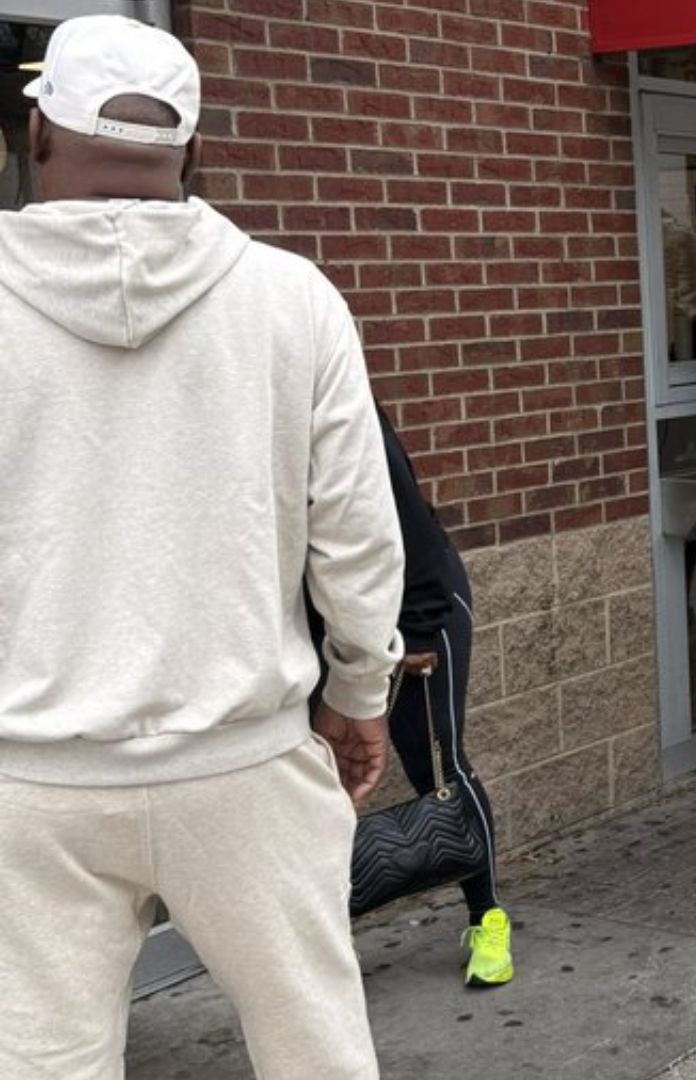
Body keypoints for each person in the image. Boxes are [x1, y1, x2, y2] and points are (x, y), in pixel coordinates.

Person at [0, 16, 402, 1078]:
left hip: (25, 779)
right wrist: (359, 693)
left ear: (33, 130)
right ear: (196, 149)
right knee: (316, 1048)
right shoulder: (291, 298)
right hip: (245, 759)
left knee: (39, 1059)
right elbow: (357, 533)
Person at [312, 410, 515, 987]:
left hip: (417, 603)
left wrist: (421, 629)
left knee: (436, 762)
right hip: (323, 622)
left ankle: (488, 917)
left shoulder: (335, 397)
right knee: (313, 777)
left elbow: (407, 517)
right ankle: (327, 936)